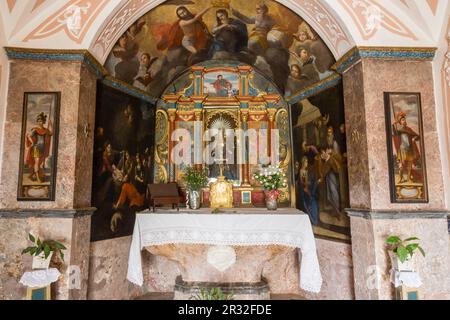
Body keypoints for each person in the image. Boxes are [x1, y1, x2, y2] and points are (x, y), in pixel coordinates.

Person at [392, 111, 421, 183]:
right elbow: (394, 133)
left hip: (410, 149)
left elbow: (417, 136)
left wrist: (414, 138)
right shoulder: (399, 130)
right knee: (401, 166)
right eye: (402, 120)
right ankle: (400, 178)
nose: (404, 121)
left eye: (404, 119)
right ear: (400, 122)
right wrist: (393, 125)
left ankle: (408, 178)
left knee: (409, 166)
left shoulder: (409, 129)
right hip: (402, 150)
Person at [26, 112, 53, 183]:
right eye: (38, 121)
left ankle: (33, 174)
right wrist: (32, 142)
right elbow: (28, 135)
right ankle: (38, 177)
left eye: (41, 121)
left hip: (42, 148)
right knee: (37, 162)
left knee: (40, 163)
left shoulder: (45, 130)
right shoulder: (35, 129)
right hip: (36, 148)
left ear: (43, 121)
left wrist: (50, 124)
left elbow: (51, 133)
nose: (39, 122)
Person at [299, 157, 319, 225]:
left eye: (307, 161)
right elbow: (303, 183)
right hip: (304, 190)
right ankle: (312, 220)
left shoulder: (307, 171)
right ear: (303, 162)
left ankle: (314, 220)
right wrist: (307, 189)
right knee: (309, 204)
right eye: (306, 162)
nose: (307, 163)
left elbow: (307, 181)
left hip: (308, 189)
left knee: (313, 204)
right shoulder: (302, 171)